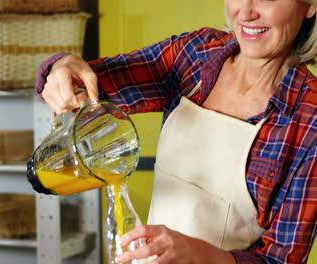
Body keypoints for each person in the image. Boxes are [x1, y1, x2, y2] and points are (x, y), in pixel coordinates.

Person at [34, 0, 317, 263]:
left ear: (309, 6)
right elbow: (90, 88)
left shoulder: (310, 120)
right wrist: (62, 68)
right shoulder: (196, 55)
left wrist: (197, 253)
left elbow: (280, 259)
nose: (246, 12)